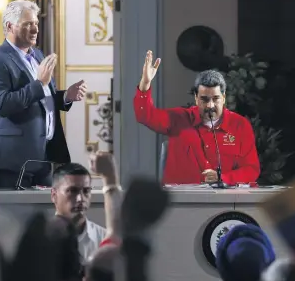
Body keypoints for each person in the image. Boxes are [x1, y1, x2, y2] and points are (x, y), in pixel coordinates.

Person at [0, 0, 87, 189]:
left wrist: (65, 97)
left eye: (36, 23)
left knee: (46, 215)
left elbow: (42, 99)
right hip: (13, 161)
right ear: (10, 26)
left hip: (43, 159)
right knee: (15, 218)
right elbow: (3, 105)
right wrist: (39, 84)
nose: (35, 29)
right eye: (28, 24)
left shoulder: (37, 55)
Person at [133, 51, 260, 185]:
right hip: (181, 201)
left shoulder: (240, 125)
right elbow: (144, 116)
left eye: (215, 99)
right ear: (196, 98)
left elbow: (251, 170)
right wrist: (145, 83)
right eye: (204, 99)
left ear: (223, 98)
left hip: (223, 201)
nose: (210, 105)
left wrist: (223, 177)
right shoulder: (179, 118)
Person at [50, 163, 106, 263]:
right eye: (72, 191)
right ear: (54, 195)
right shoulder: (40, 242)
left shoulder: (103, 240)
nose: (80, 199)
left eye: (86, 191)